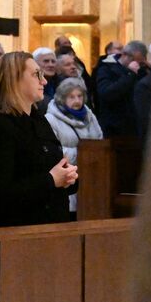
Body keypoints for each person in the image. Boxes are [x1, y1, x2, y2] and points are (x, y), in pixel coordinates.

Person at [0, 52, 78, 227]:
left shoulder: (39, 120)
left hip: (53, 225)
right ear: (14, 79)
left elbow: (52, 168)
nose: (44, 81)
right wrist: (51, 179)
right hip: (18, 230)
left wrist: (69, 177)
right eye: (36, 75)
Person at [44, 78, 102, 216]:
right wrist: (80, 153)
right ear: (62, 98)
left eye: (80, 96)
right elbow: (53, 150)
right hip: (68, 178)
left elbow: (100, 138)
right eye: (71, 97)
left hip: (92, 176)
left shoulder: (89, 115)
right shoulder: (51, 118)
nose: (77, 100)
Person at [95, 40, 148, 137]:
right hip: (114, 128)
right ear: (125, 55)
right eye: (136, 61)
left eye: (140, 63)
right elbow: (107, 93)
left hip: (135, 128)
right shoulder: (106, 69)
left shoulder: (141, 71)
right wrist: (130, 74)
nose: (138, 65)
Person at [32, 47, 58, 112]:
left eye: (53, 61)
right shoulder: (29, 87)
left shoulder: (62, 84)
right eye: (46, 61)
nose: (51, 64)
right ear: (35, 64)